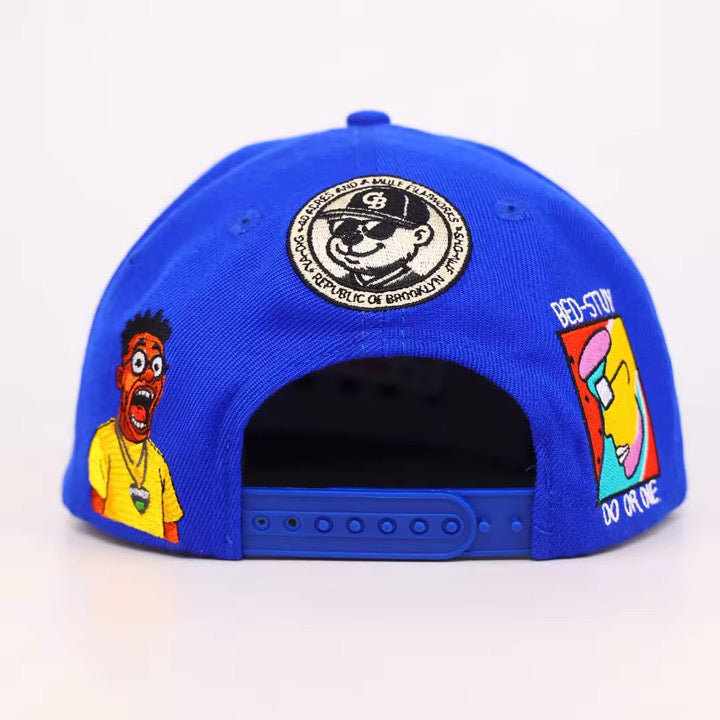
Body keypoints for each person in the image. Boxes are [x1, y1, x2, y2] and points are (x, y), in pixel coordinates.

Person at [88, 310, 183, 542]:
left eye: (157, 367)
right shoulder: (103, 441)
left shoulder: (158, 463)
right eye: (139, 363)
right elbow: (96, 507)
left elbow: (171, 528)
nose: (150, 374)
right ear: (121, 376)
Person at [321, 187, 434, 290]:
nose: (352, 238)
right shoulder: (341, 280)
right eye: (347, 226)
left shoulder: (414, 281)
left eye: (379, 229)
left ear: (419, 235)